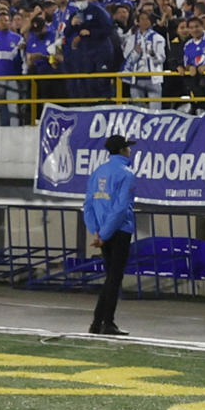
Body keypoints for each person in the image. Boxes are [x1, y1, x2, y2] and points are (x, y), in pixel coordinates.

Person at [84, 134, 136, 336]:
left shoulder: (98, 172)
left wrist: (96, 232)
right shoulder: (126, 174)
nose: (130, 150)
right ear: (123, 150)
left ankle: (98, 323)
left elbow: (88, 205)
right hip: (119, 230)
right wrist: (105, 234)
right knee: (114, 278)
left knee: (111, 277)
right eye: (128, 147)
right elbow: (121, 208)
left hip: (102, 232)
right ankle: (106, 323)